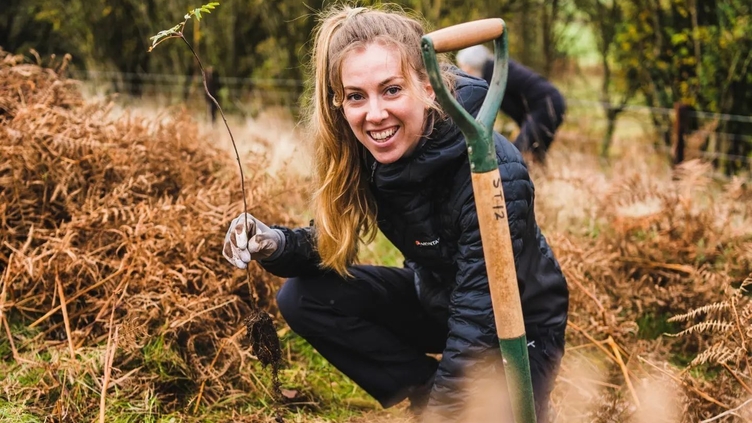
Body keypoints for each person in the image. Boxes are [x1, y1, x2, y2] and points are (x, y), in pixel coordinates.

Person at [222, 5, 568, 422]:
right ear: (339, 102)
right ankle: (423, 390)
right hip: (438, 300)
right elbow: (331, 239)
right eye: (356, 96)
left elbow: (479, 318)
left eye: (391, 90)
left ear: (428, 86)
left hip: (519, 326)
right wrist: (275, 242)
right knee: (305, 297)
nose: (375, 114)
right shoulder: (371, 155)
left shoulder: (492, 170)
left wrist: (448, 410)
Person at [456, 45, 566, 164]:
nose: (463, 70)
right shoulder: (495, 68)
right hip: (548, 103)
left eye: (464, 66)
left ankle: (530, 179)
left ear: (473, 65)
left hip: (545, 105)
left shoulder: (493, 73)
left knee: (517, 153)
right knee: (535, 151)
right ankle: (541, 179)